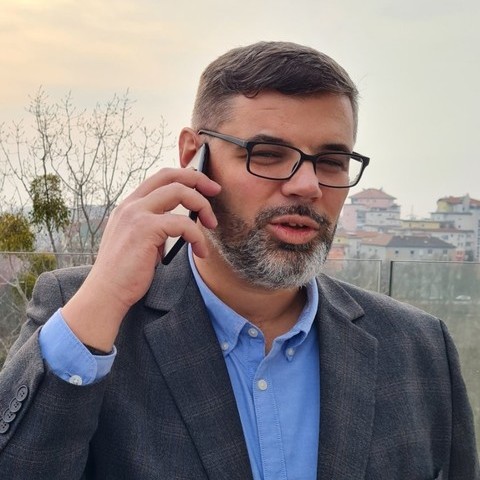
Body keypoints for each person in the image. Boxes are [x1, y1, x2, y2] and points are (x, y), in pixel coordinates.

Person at [0, 41, 478, 480]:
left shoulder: (418, 348)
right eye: (267, 154)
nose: (307, 185)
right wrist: (105, 295)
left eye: (331, 161)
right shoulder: (89, 317)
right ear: (195, 156)